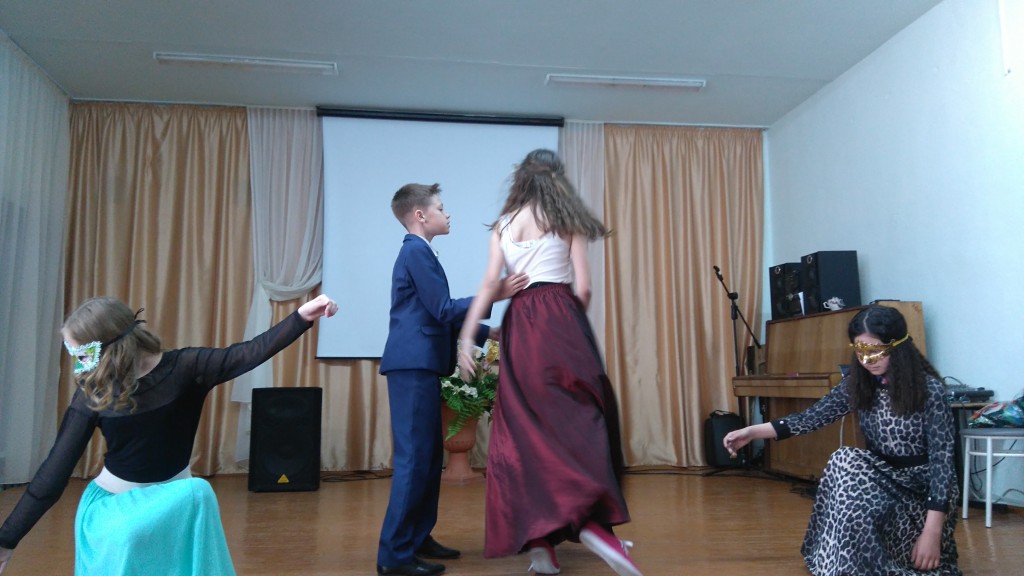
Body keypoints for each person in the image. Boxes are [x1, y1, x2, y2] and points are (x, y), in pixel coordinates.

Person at [0, 293, 339, 575]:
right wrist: (6, 541)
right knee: (196, 493)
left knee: (197, 493)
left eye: (80, 353)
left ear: (107, 347)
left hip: (176, 504)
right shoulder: (94, 392)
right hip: (116, 510)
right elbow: (52, 475)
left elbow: (249, 352)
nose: (77, 364)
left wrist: (301, 317)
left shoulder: (187, 368)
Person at [457, 149, 642, 576]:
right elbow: (585, 289)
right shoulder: (566, 219)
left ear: (520, 179)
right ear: (557, 179)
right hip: (561, 316)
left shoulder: (503, 225)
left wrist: (467, 338)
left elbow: (488, 284)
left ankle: (540, 547)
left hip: (520, 323)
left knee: (524, 433)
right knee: (583, 420)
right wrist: (569, 321)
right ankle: (594, 525)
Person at [723, 304, 961, 575]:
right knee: (844, 459)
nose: (867, 360)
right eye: (860, 351)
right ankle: (844, 564)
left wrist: (932, 532)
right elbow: (812, 417)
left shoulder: (930, 391)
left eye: (875, 351)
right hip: (882, 485)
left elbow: (943, 464)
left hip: (923, 493)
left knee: (849, 462)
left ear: (898, 346)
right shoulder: (859, 383)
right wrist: (751, 432)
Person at [377, 183, 528, 576]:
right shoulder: (415, 252)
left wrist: (486, 333)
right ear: (420, 215)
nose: (448, 214)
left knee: (428, 459)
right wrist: (494, 293)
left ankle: (417, 538)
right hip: (412, 367)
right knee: (414, 461)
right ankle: (393, 557)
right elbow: (443, 309)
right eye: (441, 208)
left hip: (421, 365)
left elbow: (433, 314)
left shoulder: (421, 252)